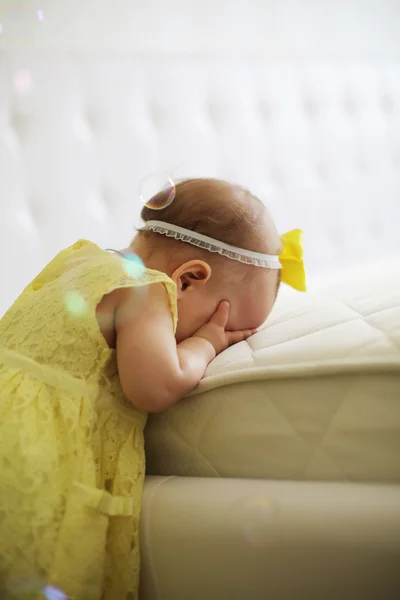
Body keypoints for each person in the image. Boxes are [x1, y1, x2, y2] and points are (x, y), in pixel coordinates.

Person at [0, 178, 305, 599]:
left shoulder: (79, 263)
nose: (215, 333)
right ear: (188, 280)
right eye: (219, 321)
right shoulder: (146, 290)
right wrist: (206, 344)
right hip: (31, 456)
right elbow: (157, 387)